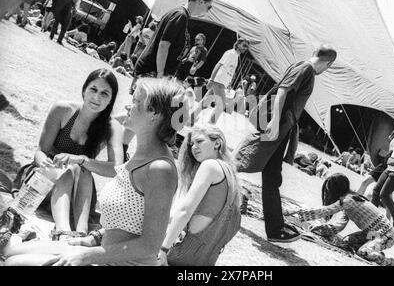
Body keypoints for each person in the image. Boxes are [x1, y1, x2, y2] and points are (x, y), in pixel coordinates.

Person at [3, 78, 188, 266]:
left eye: (135, 102)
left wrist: (86, 256)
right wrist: (93, 238)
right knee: (9, 251)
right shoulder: (144, 153)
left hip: (115, 262)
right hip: (101, 250)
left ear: (154, 114)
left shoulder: (160, 169)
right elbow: (127, 223)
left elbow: (150, 245)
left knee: (14, 263)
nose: (127, 106)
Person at [232, 45, 337, 242]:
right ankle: (210, 179)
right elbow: (282, 91)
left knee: (271, 176)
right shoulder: (305, 69)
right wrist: (273, 121)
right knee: (245, 159)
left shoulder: (301, 66)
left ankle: (275, 229)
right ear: (328, 64)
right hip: (278, 124)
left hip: (282, 125)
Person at [9, 69, 123, 241]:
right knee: (69, 170)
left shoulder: (112, 127)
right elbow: (40, 151)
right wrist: (46, 164)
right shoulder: (63, 109)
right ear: (84, 89)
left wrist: (80, 159)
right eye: (93, 89)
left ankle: (81, 232)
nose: (97, 97)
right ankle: (63, 232)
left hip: (76, 192)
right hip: (43, 179)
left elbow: (116, 169)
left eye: (105, 93)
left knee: (81, 168)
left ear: (111, 100)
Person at [158, 125, 241, 266]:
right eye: (191, 144)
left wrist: (163, 249)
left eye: (200, 141)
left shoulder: (210, 166)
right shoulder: (230, 174)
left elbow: (185, 210)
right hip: (207, 255)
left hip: (186, 250)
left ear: (217, 143)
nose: (194, 147)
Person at [291, 173, 394, 266]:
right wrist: (322, 228)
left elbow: (324, 211)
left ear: (335, 190)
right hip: (374, 233)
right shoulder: (350, 200)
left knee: (363, 252)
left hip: (386, 234)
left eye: (329, 190)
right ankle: (374, 249)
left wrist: (297, 212)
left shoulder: (347, 201)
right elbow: (339, 225)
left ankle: (388, 262)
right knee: (347, 242)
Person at [131, 0, 215, 91]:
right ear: (201, 1)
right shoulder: (181, 16)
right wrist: (160, 74)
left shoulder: (178, 13)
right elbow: (164, 45)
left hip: (151, 70)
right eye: (209, 7)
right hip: (152, 72)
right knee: (143, 106)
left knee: (140, 106)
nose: (208, 11)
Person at [191, 38, 249, 124]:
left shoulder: (236, 56)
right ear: (238, 44)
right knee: (221, 106)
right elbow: (218, 65)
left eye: (247, 47)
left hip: (221, 83)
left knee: (205, 102)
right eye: (244, 45)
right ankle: (210, 125)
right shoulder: (231, 53)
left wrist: (228, 83)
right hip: (218, 82)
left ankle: (192, 117)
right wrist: (211, 79)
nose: (245, 48)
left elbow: (228, 71)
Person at [357, 114, 394, 196]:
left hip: (392, 166)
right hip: (385, 163)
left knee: (375, 193)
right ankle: (355, 201)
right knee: (365, 182)